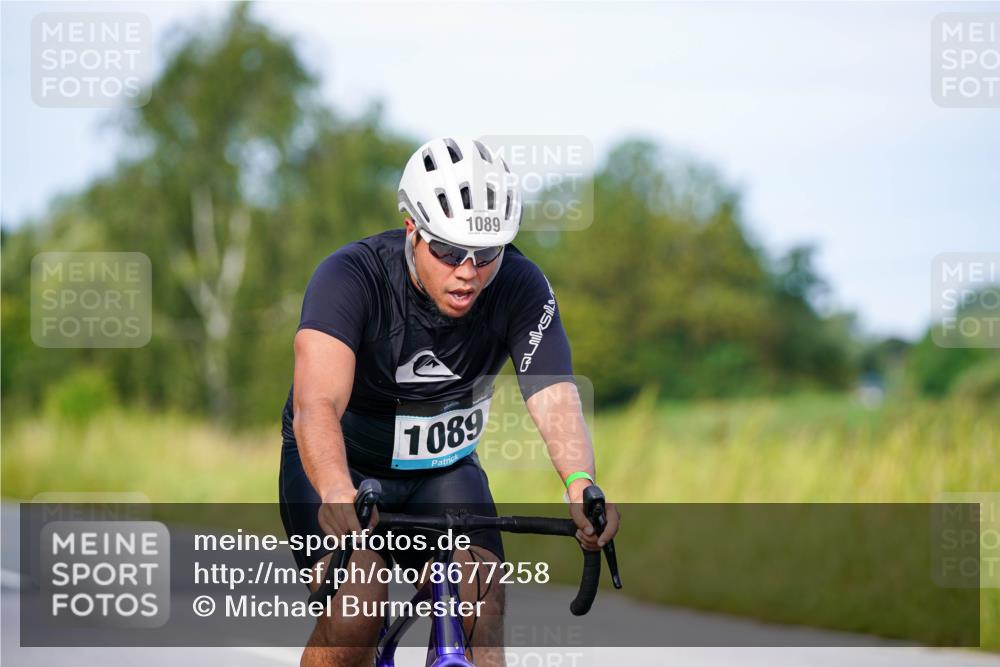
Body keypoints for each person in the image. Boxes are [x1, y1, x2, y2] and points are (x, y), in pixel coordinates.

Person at [279, 137, 619, 667]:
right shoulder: (350, 277)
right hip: (342, 469)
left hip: (442, 471)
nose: (468, 271)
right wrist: (334, 489)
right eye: (448, 251)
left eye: (486, 255)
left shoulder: (521, 285)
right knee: (357, 611)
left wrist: (580, 482)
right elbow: (316, 404)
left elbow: (553, 393)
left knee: (482, 606)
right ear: (413, 230)